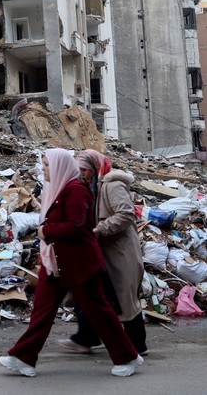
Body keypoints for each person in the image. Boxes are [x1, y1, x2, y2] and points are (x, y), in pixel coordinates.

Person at [0, 148, 142, 378]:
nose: (43, 169)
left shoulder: (75, 191)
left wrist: (46, 230)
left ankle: (128, 356)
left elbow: (76, 226)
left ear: (59, 167)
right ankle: (23, 357)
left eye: (46, 165)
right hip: (56, 263)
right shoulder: (56, 189)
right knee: (42, 312)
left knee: (100, 312)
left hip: (79, 264)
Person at [57, 149, 148, 355]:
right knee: (92, 294)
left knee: (124, 298)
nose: (81, 174)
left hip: (120, 252)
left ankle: (137, 346)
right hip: (102, 251)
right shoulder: (90, 186)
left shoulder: (111, 184)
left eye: (85, 170)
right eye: (78, 170)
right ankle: (86, 337)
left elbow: (125, 214)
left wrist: (100, 229)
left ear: (95, 168)